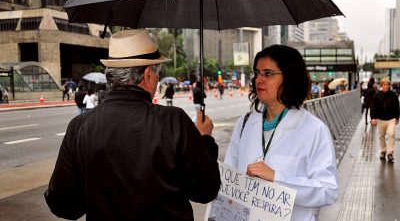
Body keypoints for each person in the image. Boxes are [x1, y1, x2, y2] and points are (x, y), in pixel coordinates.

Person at [44, 29, 221, 220]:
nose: (157, 80)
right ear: (147, 75)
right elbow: (205, 190)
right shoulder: (174, 121)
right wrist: (204, 140)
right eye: (157, 73)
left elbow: (61, 203)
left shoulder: (80, 125)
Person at [224, 45, 338, 221]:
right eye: (257, 73)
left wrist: (278, 178)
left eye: (268, 74)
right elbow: (229, 176)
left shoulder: (314, 130)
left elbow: (328, 190)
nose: (259, 80)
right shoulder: (245, 123)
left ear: (290, 78)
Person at [370, 77, 399, 162]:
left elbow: (397, 107)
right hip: (380, 119)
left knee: (392, 134)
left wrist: (397, 117)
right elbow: (373, 107)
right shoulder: (377, 95)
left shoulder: (393, 95)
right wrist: (373, 118)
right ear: (381, 85)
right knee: (381, 136)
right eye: (385, 85)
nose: (386, 86)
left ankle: (390, 153)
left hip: (391, 119)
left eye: (388, 85)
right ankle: (383, 151)